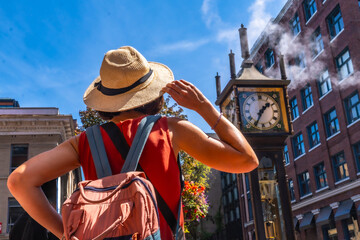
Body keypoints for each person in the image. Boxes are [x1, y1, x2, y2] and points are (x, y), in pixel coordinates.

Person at [7, 46, 258, 239]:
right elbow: (246, 160)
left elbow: (19, 180)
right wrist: (205, 109)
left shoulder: (82, 142)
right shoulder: (171, 130)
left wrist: (66, 232)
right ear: (152, 92)